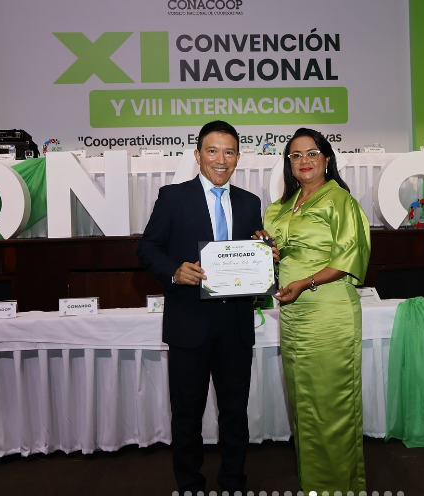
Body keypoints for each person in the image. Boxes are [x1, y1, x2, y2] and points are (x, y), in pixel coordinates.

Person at [137, 120, 263, 493]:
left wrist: (266, 251)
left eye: (229, 152)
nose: (221, 160)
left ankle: (233, 483)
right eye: (212, 151)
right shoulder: (173, 197)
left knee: (235, 414)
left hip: (236, 326)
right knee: (187, 415)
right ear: (197, 155)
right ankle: (190, 485)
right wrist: (174, 271)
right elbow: (148, 248)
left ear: (238, 157)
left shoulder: (250, 202)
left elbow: (251, 254)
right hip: (189, 323)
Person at [260, 128, 371, 492]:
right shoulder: (280, 206)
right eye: (296, 155)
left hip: (329, 311)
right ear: (288, 163)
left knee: (331, 406)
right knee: (305, 407)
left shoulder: (340, 200)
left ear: (326, 159)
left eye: (311, 153)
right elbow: (281, 256)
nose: (304, 161)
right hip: (293, 316)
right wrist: (266, 252)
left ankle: (337, 488)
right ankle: (316, 485)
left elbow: (349, 257)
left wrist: (306, 282)